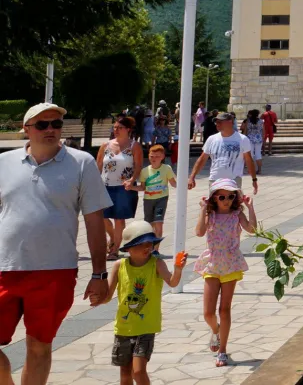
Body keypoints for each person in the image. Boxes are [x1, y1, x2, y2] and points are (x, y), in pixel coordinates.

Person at [0, 103, 112, 385]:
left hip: (55, 272)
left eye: (56, 124)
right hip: (5, 268)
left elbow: (94, 221)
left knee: (39, 347)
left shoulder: (82, 162)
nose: (50, 130)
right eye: (42, 125)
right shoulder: (4, 163)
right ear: (26, 129)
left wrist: (99, 274)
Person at [107, 220, 186, 385]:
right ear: (128, 248)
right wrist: (96, 297)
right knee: (125, 375)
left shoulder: (156, 263)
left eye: (150, 243)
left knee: (138, 371)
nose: (147, 247)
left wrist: (178, 269)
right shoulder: (119, 266)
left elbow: (172, 282)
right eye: (141, 244)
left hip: (146, 327)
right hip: (124, 327)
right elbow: (107, 295)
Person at [193, 180, 257, 368]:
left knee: (224, 309)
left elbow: (252, 229)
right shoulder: (211, 214)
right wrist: (203, 210)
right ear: (214, 197)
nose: (227, 200)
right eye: (222, 197)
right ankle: (216, 330)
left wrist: (250, 208)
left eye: (230, 196)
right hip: (212, 263)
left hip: (231, 263)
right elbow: (198, 232)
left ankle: (222, 351)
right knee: (208, 312)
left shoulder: (237, 214)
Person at [97, 116, 145, 257]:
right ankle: (112, 237)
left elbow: (138, 166)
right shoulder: (105, 145)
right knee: (102, 217)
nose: (116, 130)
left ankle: (114, 249)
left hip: (124, 187)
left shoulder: (134, 146)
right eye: (115, 127)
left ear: (128, 129)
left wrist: (132, 180)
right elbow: (98, 166)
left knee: (119, 218)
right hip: (105, 186)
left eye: (120, 128)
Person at [188, 111, 258, 195]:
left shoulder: (242, 139)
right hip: (215, 180)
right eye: (216, 122)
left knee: (233, 207)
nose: (217, 124)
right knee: (214, 207)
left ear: (230, 122)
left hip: (233, 180)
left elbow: (248, 160)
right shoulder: (212, 139)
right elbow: (202, 159)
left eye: (220, 122)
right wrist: (192, 176)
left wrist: (254, 179)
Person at [134, 144, 177, 242]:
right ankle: (150, 245)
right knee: (148, 225)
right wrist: (131, 187)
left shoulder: (167, 168)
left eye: (157, 156)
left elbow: (173, 183)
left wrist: (184, 185)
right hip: (148, 200)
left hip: (162, 199)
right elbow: (142, 187)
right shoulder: (144, 171)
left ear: (162, 157)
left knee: (159, 223)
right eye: (151, 156)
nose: (154, 159)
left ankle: (156, 250)